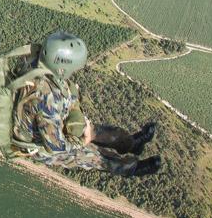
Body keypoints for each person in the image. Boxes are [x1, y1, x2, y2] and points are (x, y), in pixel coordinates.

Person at [11, 30, 161, 177]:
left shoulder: (34, 61)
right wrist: (83, 141)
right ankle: (132, 168)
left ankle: (132, 144)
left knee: (102, 132)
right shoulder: (46, 99)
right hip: (42, 144)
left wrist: (72, 101)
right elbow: (56, 148)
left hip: (47, 118)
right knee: (93, 156)